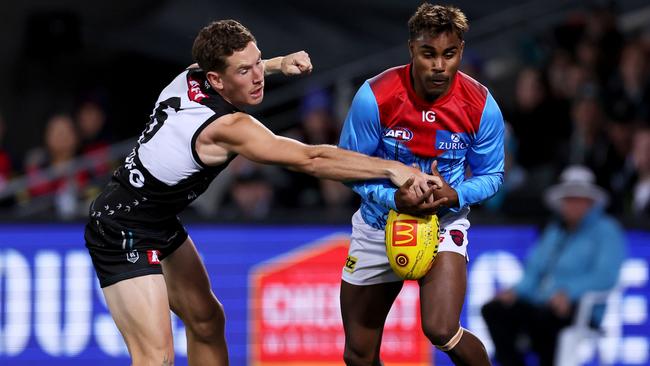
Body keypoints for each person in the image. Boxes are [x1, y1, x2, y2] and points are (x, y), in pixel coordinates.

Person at [84, 19, 443, 366]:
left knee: (208, 320)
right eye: (245, 71)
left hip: (155, 217)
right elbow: (312, 157)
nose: (257, 77)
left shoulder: (192, 75)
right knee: (155, 358)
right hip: (121, 228)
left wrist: (277, 64)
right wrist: (394, 168)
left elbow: (235, 67)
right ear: (216, 80)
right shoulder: (226, 127)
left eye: (257, 62)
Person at [337, 3, 504, 365]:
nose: (439, 66)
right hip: (379, 226)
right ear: (412, 48)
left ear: (461, 50)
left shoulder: (481, 105)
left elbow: (493, 175)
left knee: (441, 329)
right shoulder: (375, 96)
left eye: (449, 54)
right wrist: (393, 198)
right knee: (358, 355)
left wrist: (455, 193)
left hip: (443, 224)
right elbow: (348, 166)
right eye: (429, 54)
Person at [481, 165, 626, 366]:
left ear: (590, 202)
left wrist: (569, 292)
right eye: (569, 199)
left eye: (578, 198)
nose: (572, 205)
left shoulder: (606, 231)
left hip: (579, 308)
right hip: (542, 302)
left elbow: (606, 276)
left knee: (545, 319)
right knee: (494, 310)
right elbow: (535, 269)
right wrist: (516, 291)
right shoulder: (555, 230)